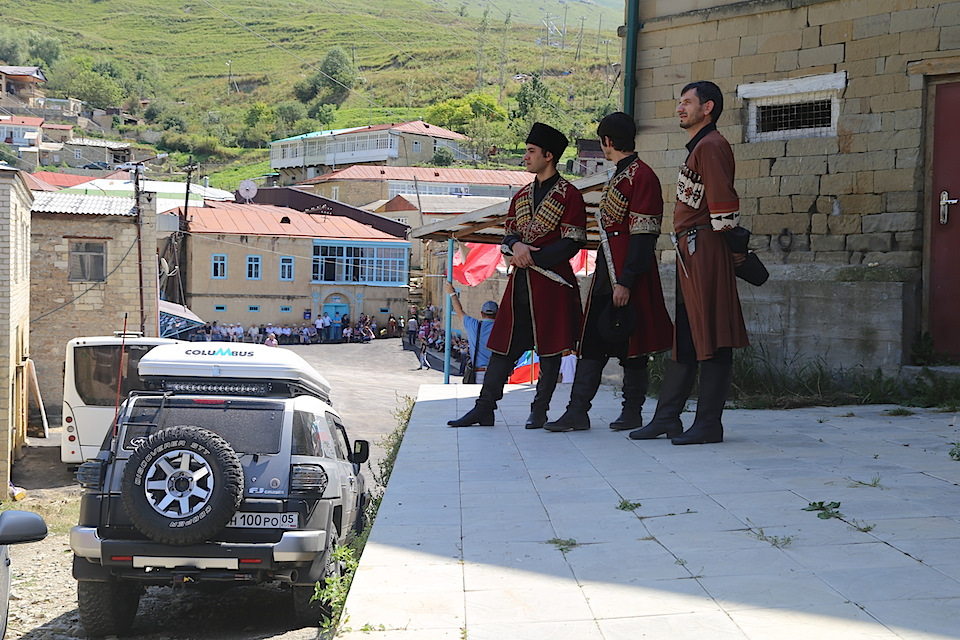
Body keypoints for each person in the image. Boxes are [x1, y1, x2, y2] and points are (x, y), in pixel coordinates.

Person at [629, 81, 749, 445]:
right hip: (691, 250)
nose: (680, 108)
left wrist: (733, 252)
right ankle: (667, 417)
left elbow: (723, 207)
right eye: (679, 102)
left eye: (687, 102)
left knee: (711, 331)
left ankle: (709, 423)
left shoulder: (712, 145)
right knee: (685, 332)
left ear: (707, 107)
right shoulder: (702, 145)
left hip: (706, 248)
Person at [448, 122, 587, 428]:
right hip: (521, 284)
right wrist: (518, 247)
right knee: (502, 346)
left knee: (551, 350)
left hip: (553, 284)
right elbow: (508, 235)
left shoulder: (569, 195)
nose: (525, 156)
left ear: (548, 155)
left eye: (531, 151)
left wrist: (529, 256)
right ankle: (485, 407)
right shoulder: (521, 195)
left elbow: (573, 241)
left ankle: (539, 410)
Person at [545, 112, 673, 433]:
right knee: (591, 341)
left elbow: (644, 234)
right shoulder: (621, 174)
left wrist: (627, 281)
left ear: (607, 142)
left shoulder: (642, 177)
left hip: (630, 273)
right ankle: (577, 412)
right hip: (607, 271)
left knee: (632, 344)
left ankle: (632, 413)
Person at [444, 281, 498, 383]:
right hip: (497, 374)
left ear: (482, 313)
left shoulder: (474, 326)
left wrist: (452, 293)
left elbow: (459, 310)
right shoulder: (503, 328)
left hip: (479, 374)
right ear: (498, 314)